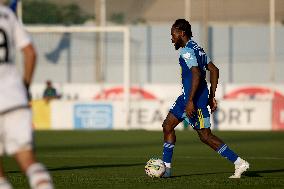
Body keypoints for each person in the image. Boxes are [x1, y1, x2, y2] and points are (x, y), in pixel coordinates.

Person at [162, 19, 249, 178]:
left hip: (194, 100)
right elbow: (214, 70)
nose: (172, 38)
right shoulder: (198, 48)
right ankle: (166, 170)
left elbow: (196, 73)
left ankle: (239, 162)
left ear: (182, 33)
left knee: (205, 136)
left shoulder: (187, 51)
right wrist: (212, 96)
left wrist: (192, 101)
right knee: (167, 126)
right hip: (186, 98)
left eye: (173, 34)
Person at [0, 4, 53, 189]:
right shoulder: (7, 14)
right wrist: (25, 86)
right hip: (15, 97)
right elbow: (30, 52)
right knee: (28, 160)